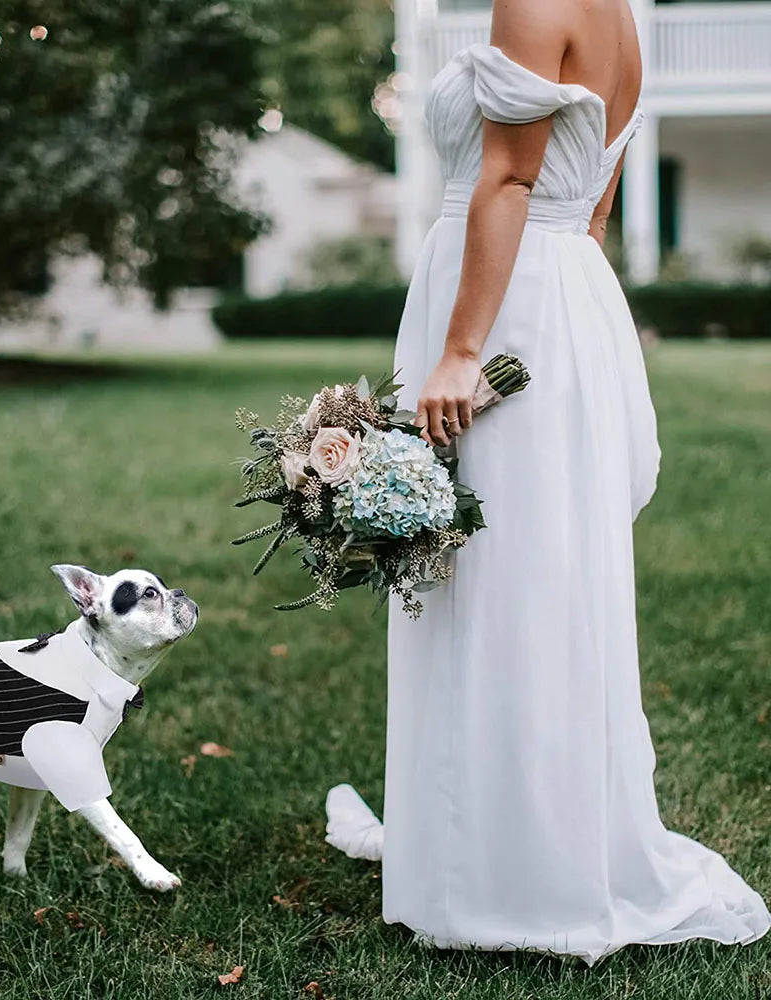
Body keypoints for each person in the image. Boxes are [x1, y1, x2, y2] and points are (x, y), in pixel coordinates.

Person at [330, 0, 771, 964]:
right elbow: (595, 201)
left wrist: (460, 349)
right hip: (561, 290)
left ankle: (507, 870)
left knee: (497, 580)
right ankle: (505, 839)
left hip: (502, 310)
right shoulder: (617, 14)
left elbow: (508, 174)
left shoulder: (534, 0)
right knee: (538, 578)